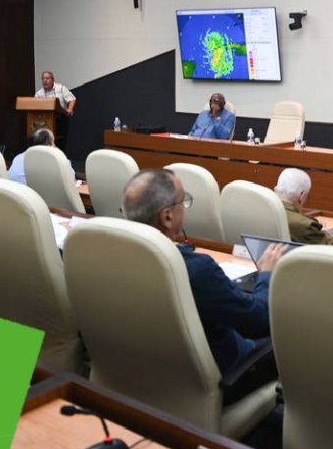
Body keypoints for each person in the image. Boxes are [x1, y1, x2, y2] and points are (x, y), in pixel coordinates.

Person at [122, 168, 286, 401]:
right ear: (167, 216)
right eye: (183, 201)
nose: (185, 207)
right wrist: (266, 275)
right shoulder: (197, 270)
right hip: (226, 375)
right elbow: (260, 321)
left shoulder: (117, 257)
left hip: (148, 372)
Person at [274, 168, 333, 245]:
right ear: (302, 196)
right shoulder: (305, 225)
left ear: (275, 189)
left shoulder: (261, 213)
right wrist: (320, 231)